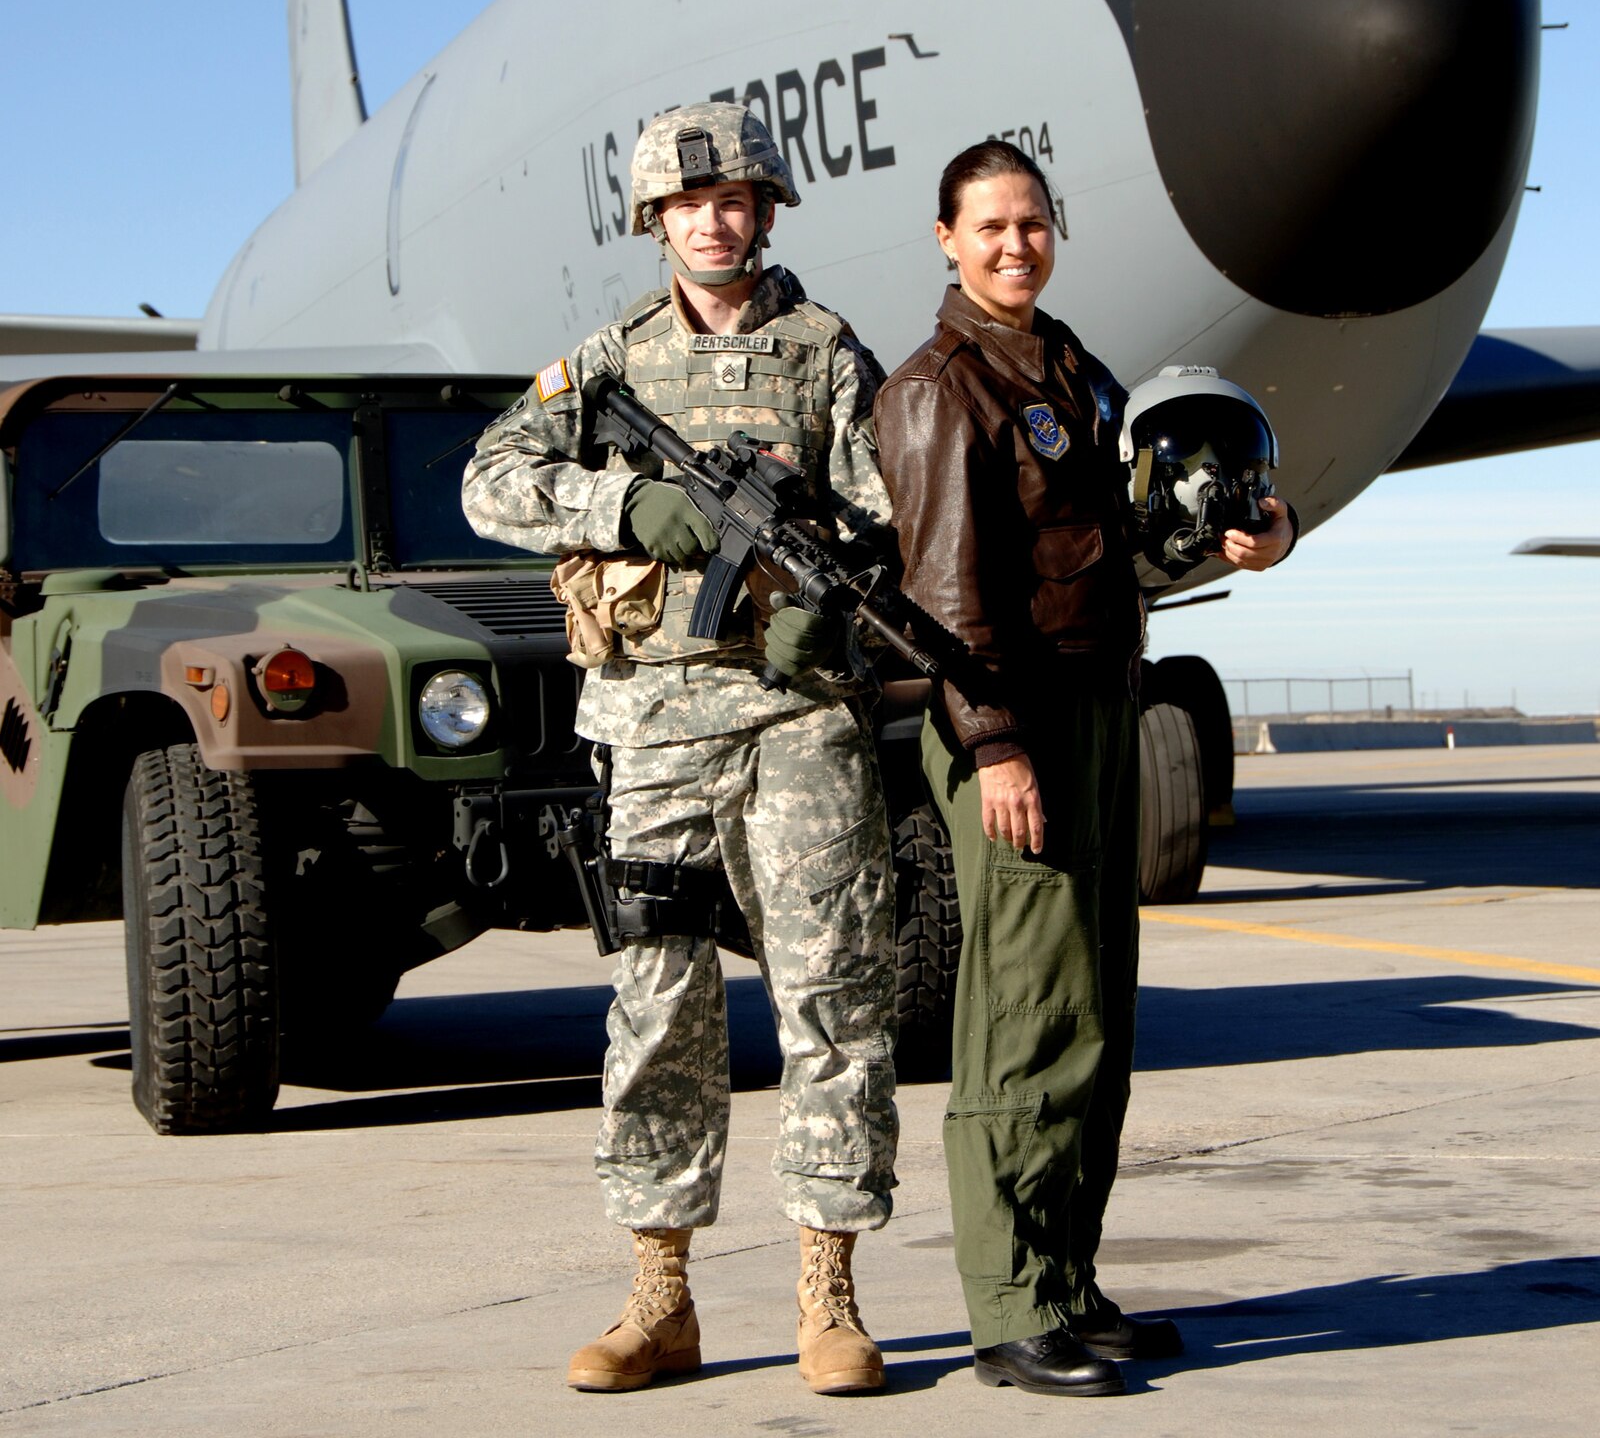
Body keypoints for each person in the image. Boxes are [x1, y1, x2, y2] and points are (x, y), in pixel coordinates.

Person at [462, 103, 897, 1397]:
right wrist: (626, 504)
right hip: (650, 726)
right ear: (656, 220)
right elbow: (491, 480)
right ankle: (660, 1297)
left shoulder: (825, 355)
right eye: (689, 204)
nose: (715, 219)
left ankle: (829, 1294)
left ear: (765, 212)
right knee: (658, 1005)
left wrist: (834, 593)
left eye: (737, 199)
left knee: (830, 997)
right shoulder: (608, 363)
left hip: (797, 719)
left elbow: (885, 508)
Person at [873, 138, 1293, 1399]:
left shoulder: (1071, 367)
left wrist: (1252, 535)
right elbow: (940, 598)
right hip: (1019, 723)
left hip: (1103, 702)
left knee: (1097, 1013)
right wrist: (992, 745)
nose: (1014, 243)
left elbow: (1123, 541)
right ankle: (1007, 1306)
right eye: (989, 225)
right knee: (1024, 1016)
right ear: (945, 238)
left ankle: (1067, 1280)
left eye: (1033, 221)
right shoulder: (939, 386)